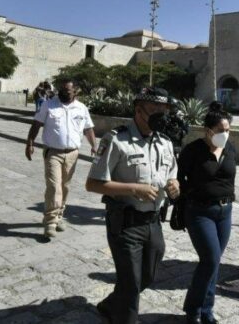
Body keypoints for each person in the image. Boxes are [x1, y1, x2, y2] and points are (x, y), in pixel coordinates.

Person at [86, 87, 181, 324]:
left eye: (164, 110)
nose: (161, 115)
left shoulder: (165, 142)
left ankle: (110, 305)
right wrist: (133, 189)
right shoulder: (116, 140)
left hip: (154, 222)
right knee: (130, 286)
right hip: (125, 223)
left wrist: (174, 184)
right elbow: (93, 184)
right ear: (138, 111)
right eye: (155, 110)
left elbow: (172, 173)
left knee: (147, 277)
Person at [177, 102, 235, 324]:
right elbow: (178, 179)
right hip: (200, 212)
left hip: (225, 211)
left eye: (228, 130)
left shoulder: (230, 149)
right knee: (210, 259)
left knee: (215, 261)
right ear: (208, 130)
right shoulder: (192, 150)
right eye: (221, 130)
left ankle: (206, 310)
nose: (225, 134)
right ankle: (193, 309)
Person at [26, 79, 97, 238]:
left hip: (72, 154)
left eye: (67, 91)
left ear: (75, 91)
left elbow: (88, 128)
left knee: (65, 186)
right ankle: (50, 222)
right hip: (53, 152)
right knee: (54, 186)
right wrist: (29, 143)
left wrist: (94, 145)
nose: (63, 93)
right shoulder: (48, 105)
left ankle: (59, 215)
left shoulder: (81, 108)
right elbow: (36, 124)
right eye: (62, 90)